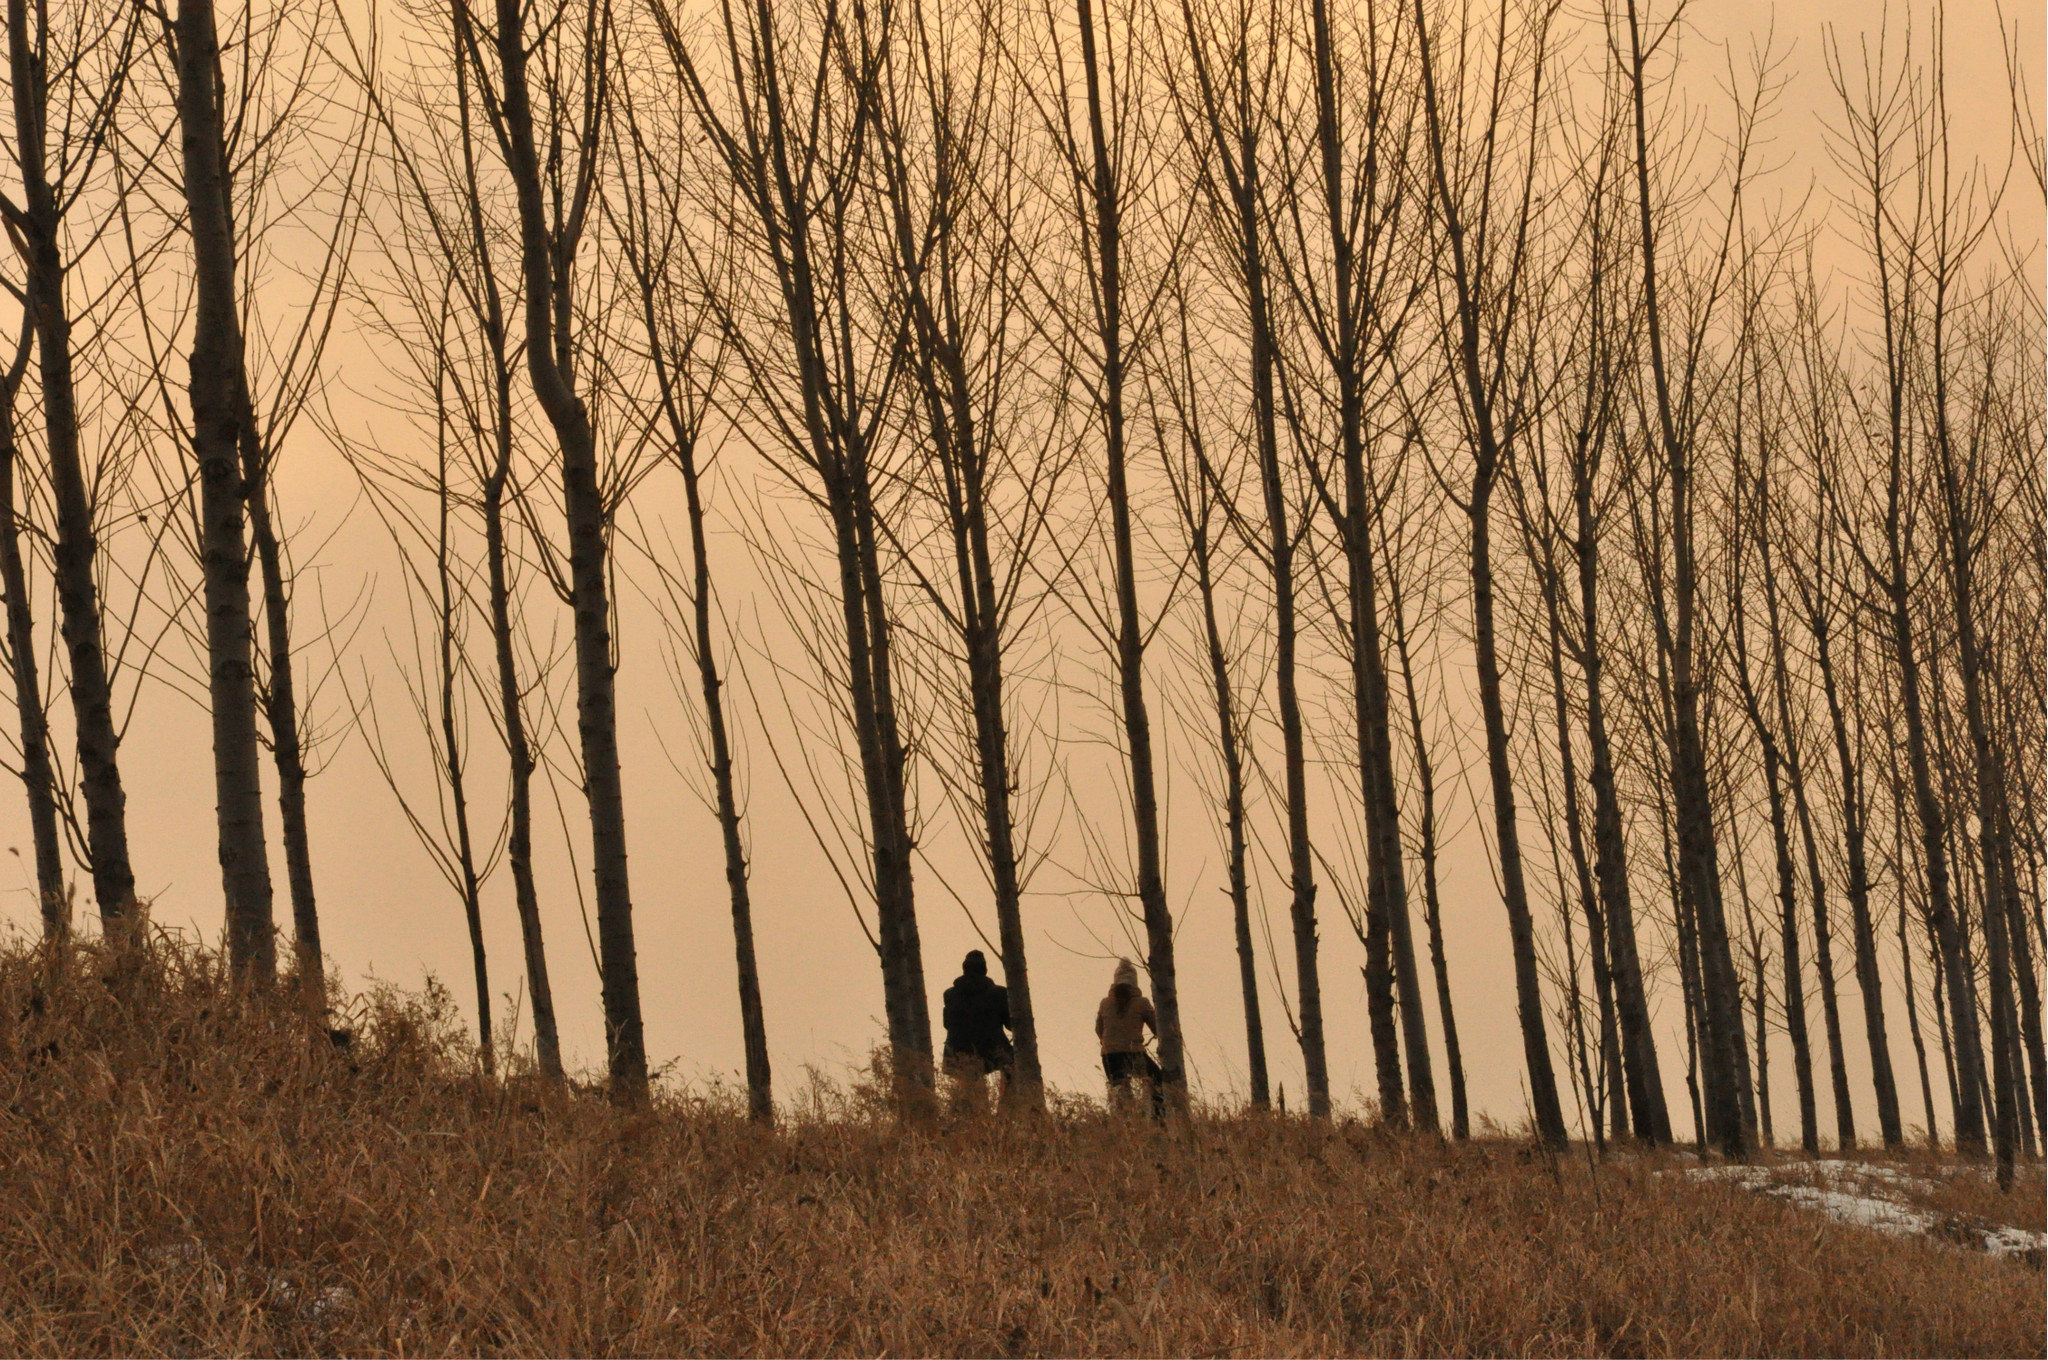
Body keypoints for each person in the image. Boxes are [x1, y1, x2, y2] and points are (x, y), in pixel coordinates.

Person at [941, 950, 1013, 1106]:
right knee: (1013, 1069)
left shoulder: (949, 994)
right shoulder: (999, 993)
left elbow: (947, 1024)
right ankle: (1006, 1110)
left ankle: (971, 1118)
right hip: (990, 1048)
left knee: (969, 1093)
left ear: (964, 969)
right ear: (985, 970)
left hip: (957, 1050)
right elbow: (1012, 1025)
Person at [1097, 958, 1164, 1119]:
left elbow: (1098, 1029)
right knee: (1157, 1079)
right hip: (1133, 1054)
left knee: (1120, 1091)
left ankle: (1125, 1123)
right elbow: (1158, 1028)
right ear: (1134, 982)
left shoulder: (1105, 1003)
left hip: (1109, 1056)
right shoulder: (1141, 1003)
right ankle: (1158, 1119)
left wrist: (1108, 1042)